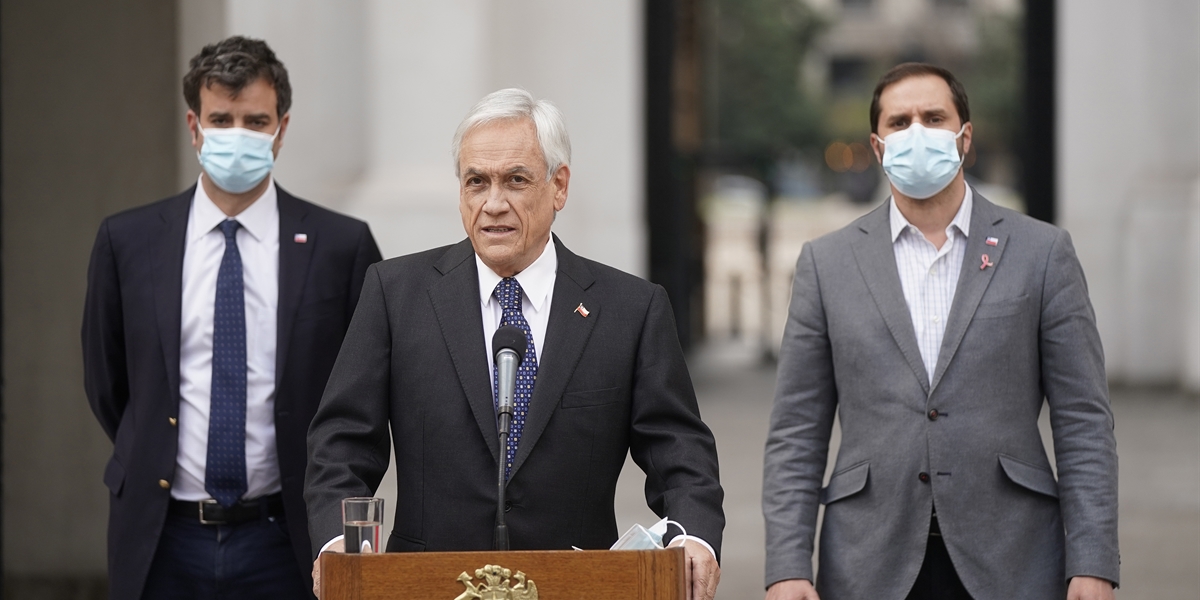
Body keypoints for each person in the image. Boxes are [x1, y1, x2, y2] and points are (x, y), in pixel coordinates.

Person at [304, 88, 725, 600]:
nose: (493, 204)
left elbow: (679, 450)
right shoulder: (396, 295)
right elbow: (342, 441)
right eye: (476, 182)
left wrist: (694, 535)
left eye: (516, 180)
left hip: (578, 586)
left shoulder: (630, 309)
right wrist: (338, 544)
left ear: (559, 186)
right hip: (429, 585)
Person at [761, 63, 1119, 600]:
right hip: (868, 561)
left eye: (933, 118)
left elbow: (1084, 420)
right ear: (878, 147)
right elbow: (796, 430)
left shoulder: (1042, 253)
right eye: (899, 122)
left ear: (964, 137)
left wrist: (1093, 560)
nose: (917, 133)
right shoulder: (826, 263)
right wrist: (787, 567)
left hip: (1013, 558)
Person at [82, 36, 382, 599]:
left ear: (281, 129)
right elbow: (109, 383)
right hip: (161, 535)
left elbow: (362, 393)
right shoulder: (129, 241)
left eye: (255, 121)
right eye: (221, 119)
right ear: (194, 127)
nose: (237, 135)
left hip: (286, 535)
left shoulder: (341, 246)